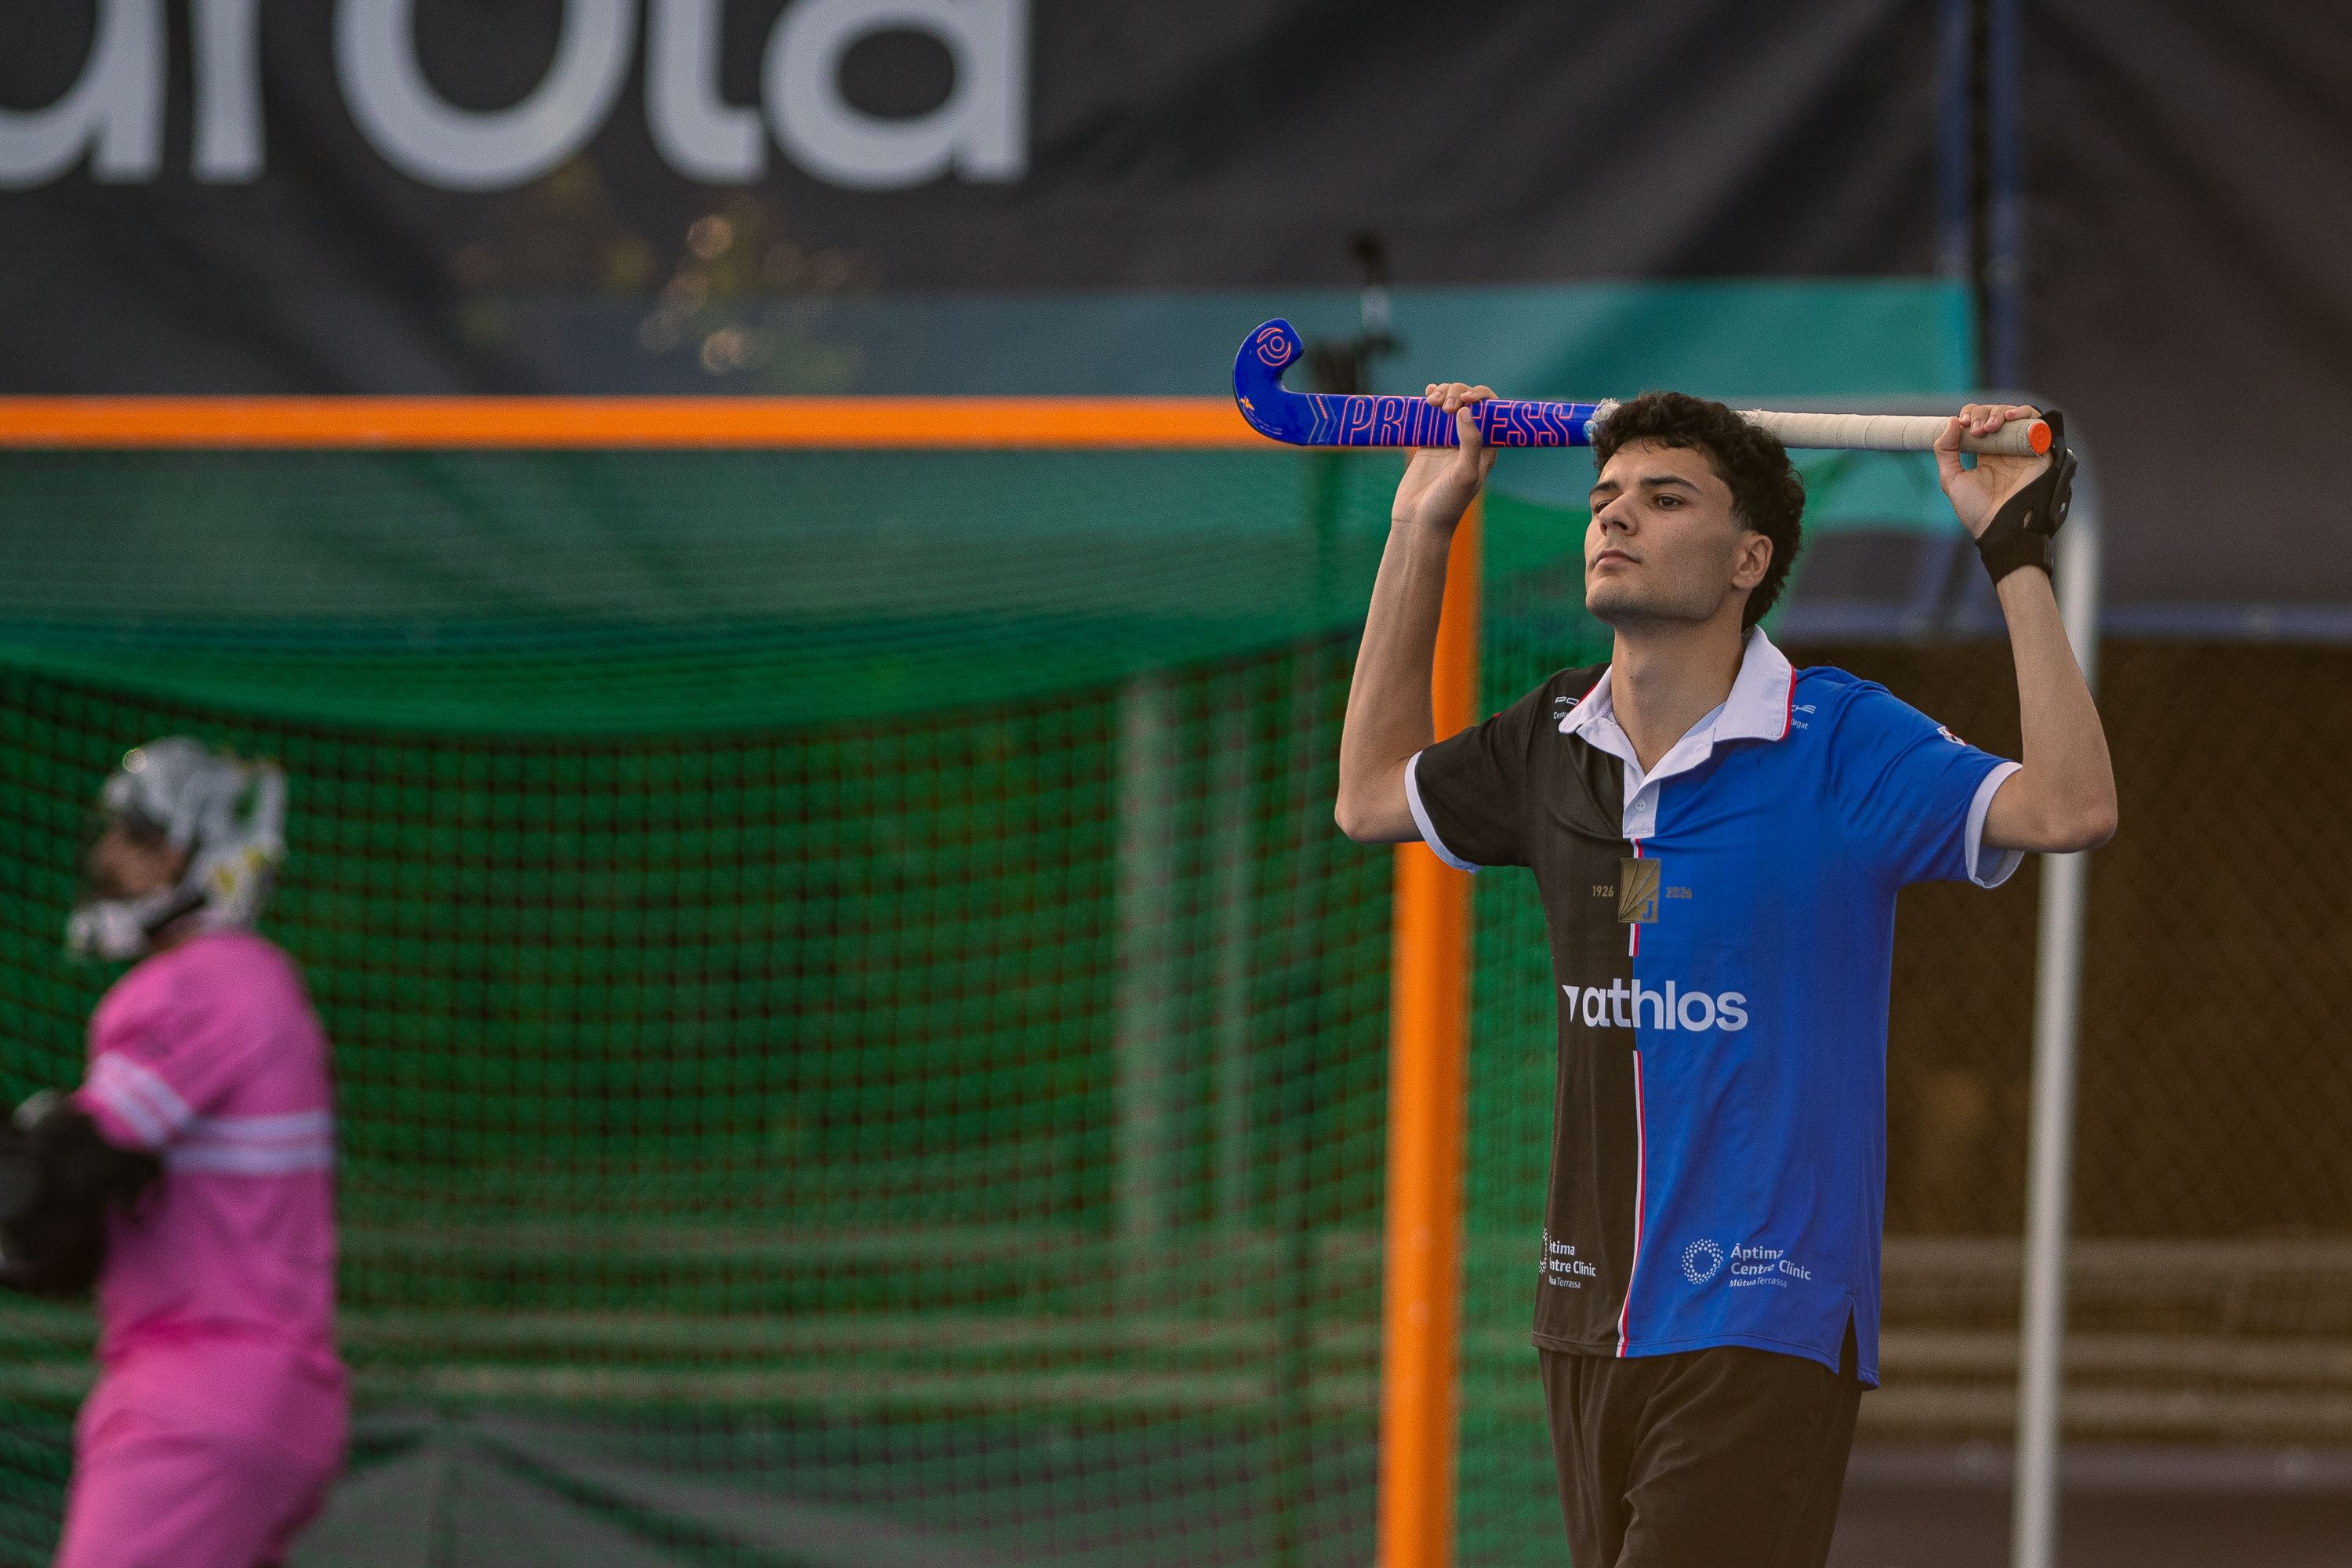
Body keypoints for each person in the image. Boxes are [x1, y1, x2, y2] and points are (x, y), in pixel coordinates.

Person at [1335, 387, 2115, 1566]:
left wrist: (2012, 557)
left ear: (1750, 557)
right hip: (1588, 1319)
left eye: (1663, 499)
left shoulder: (1842, 739)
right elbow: (1369, 796)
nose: (1616, 520)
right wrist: (1422, 526)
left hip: (1768, 1314)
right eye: (1604, 500)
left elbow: (2072, 805)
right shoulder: (1552, 741)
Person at [0, 739, 346, 1568]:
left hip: (199, 1396)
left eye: (142, 837)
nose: (109, 857)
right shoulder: (260, 980)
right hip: (268, 1394)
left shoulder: (197, 983)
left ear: (210, 853)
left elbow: (54, 1186)